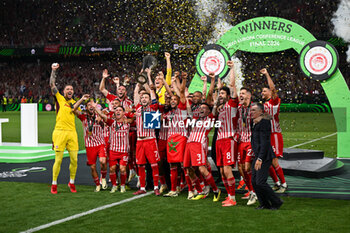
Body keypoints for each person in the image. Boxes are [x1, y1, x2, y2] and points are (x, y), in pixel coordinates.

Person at [49, 63, 79, 194]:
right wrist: (53, 71)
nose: (70, 91)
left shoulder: (75, 103)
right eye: (67, 89)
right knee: (58, 160)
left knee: (75, 159)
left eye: (71, 89)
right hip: (59, 132)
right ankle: (54, 183)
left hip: (72, 133)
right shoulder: (59, 98)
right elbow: (52, 85)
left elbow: (81, 114)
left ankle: (71, 182)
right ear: (64, 91)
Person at [213, 61, 239, 207]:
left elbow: (233, 86)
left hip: (229, 140)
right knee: (222, 171)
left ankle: (233, 198)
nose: (220, 95)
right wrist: (217, 83)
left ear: (228, 95)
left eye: (223, 93)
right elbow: (214, 96)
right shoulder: (220, 108)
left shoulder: (232, 104)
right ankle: (229, 195)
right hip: (219, 141)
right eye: (220, 93)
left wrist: (232, 69)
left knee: (228, 169)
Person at [250, 102, 283, 210]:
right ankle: (264, 204)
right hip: (258, 155)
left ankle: (276, 201)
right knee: (254, 182)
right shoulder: (254, 122)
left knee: (260, 182)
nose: (251, 112)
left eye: (254, 110)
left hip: (264, 156)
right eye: (251, 110)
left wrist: (260, 158)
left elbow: (265, 142)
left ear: (260, 112)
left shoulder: (264, 122)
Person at [133, 68, 161, 196]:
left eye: (146, 97)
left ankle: (156, 187)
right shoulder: (137, 108)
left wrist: (149, 76)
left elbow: (152, 91)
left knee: (154, 165)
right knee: (141, 165)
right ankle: (143, 188)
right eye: (142, 97)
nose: (143, 98)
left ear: (149, 100)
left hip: (150, 140)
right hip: (140, 141)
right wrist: (139, 79)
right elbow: (135, 93)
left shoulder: (153, 107)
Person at [260, 68, 287, 193]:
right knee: (267, 161)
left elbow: (274, 89)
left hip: (275, 134)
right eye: (262, 91)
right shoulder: (263, 105)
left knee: (274, 161)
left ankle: (284, 184)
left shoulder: (275, 101)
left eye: (264, 91)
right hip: (266, 136)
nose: (262, 93)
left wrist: (266, 74)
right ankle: (276, 183)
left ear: (270, 93)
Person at [95, 105, 131, 193]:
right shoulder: (111, 122)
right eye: (116, 110)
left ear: (123, 113)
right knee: (112, 169)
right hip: (113, 150)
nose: (118, 112)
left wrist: (131, 112)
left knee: (122, 169)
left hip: (123, 151)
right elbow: (103, 116)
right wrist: (95, 108)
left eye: (120, 110)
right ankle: (114, 185)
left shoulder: (128, 123)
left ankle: (122, 185)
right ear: (114, 113)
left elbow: (135, 117)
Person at [74, 98, 108, 192]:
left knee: (103, 161)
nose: (91, 107)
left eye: (92, 105)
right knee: (92, 167)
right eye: (89, 105)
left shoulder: (99, 114)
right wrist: (81, 99)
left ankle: (103, 178)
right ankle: (97, 184)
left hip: (100, 143)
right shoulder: (83, 117)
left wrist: (97, 110)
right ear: (86, 107)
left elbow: (106, 114)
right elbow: (74, 109)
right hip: (89, 146)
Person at [237, 87, 258, 205]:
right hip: (241, 142)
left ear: (249, 96)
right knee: (241, 168)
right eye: (240, 93)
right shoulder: (239, 108)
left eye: (243, 93)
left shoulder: (254, 109)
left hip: (250, 142)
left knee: (247, 167)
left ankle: (255, 192)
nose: (240, 95)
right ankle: (251, 191)